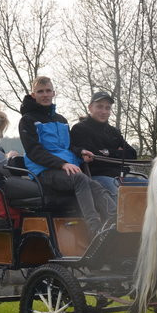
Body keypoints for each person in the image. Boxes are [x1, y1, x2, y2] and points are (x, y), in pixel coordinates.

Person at [19, 76, 115, 240]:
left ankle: (116, 224)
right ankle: (96, 232)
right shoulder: (27, 120)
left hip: (65, 170)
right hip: (44, 171)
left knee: (97, 186)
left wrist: (81, 153)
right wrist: (62, 164)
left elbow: (68, 146)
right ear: (33, 95)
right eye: (40, 91)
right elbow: (34, 151)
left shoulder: (61, 120)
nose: (45, 94)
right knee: (80, 179)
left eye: (48, 91)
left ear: (53, 93)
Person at [69, 91, 138, 199]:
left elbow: (132, 154)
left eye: (107, 108)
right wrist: (118, 152)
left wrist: (108, 152)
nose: (104, 111)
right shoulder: (80, 129)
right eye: (100, 107)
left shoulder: (114, 132)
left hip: (120, 176)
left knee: (147, 186)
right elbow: (93, 156)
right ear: (90, 107)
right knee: (119, 194)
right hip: (96, 177)